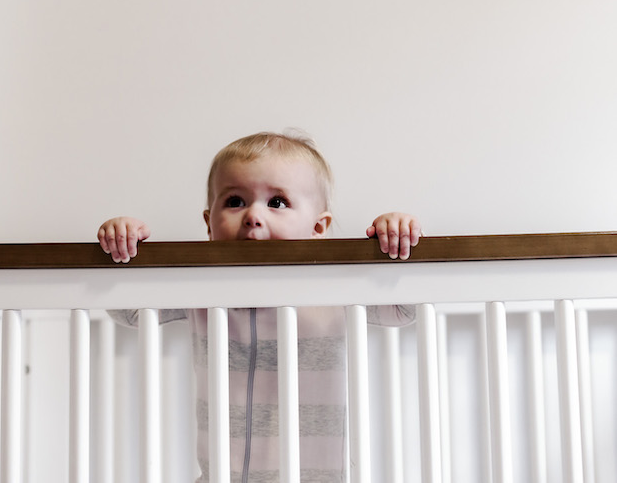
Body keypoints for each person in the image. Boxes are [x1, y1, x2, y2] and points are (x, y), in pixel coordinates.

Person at [98, 131, 422, 483]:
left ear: (318, 227)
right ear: (209, 223)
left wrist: (396, 245)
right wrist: (123, 251)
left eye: (277, 202)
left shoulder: (334, 290)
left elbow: (404, 308)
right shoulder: (198, 290)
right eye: (235, 201)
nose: (253, 215)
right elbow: (127, 311)